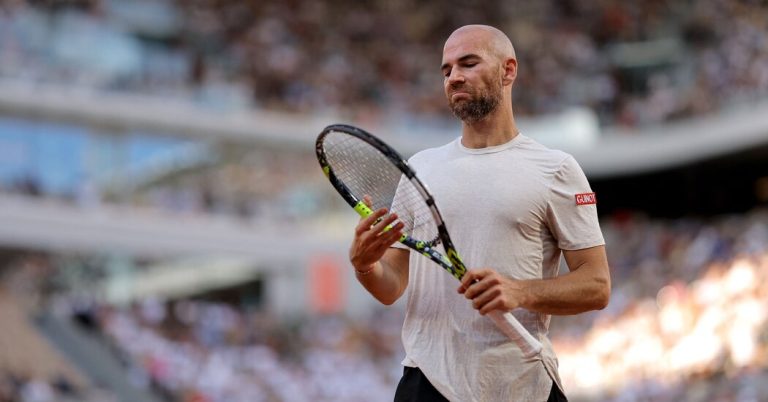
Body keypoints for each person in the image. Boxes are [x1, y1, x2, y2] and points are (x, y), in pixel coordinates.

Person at [349, 24, 611, 402]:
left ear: (508, 71)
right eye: (446, 70)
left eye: (468, 63)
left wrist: (520, 291)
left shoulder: (557, 169)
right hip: (428, 384)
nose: (454, 76)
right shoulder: (420, 169)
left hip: (523, 386)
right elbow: (391, 287)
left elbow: (597, 286)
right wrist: (364, 265)